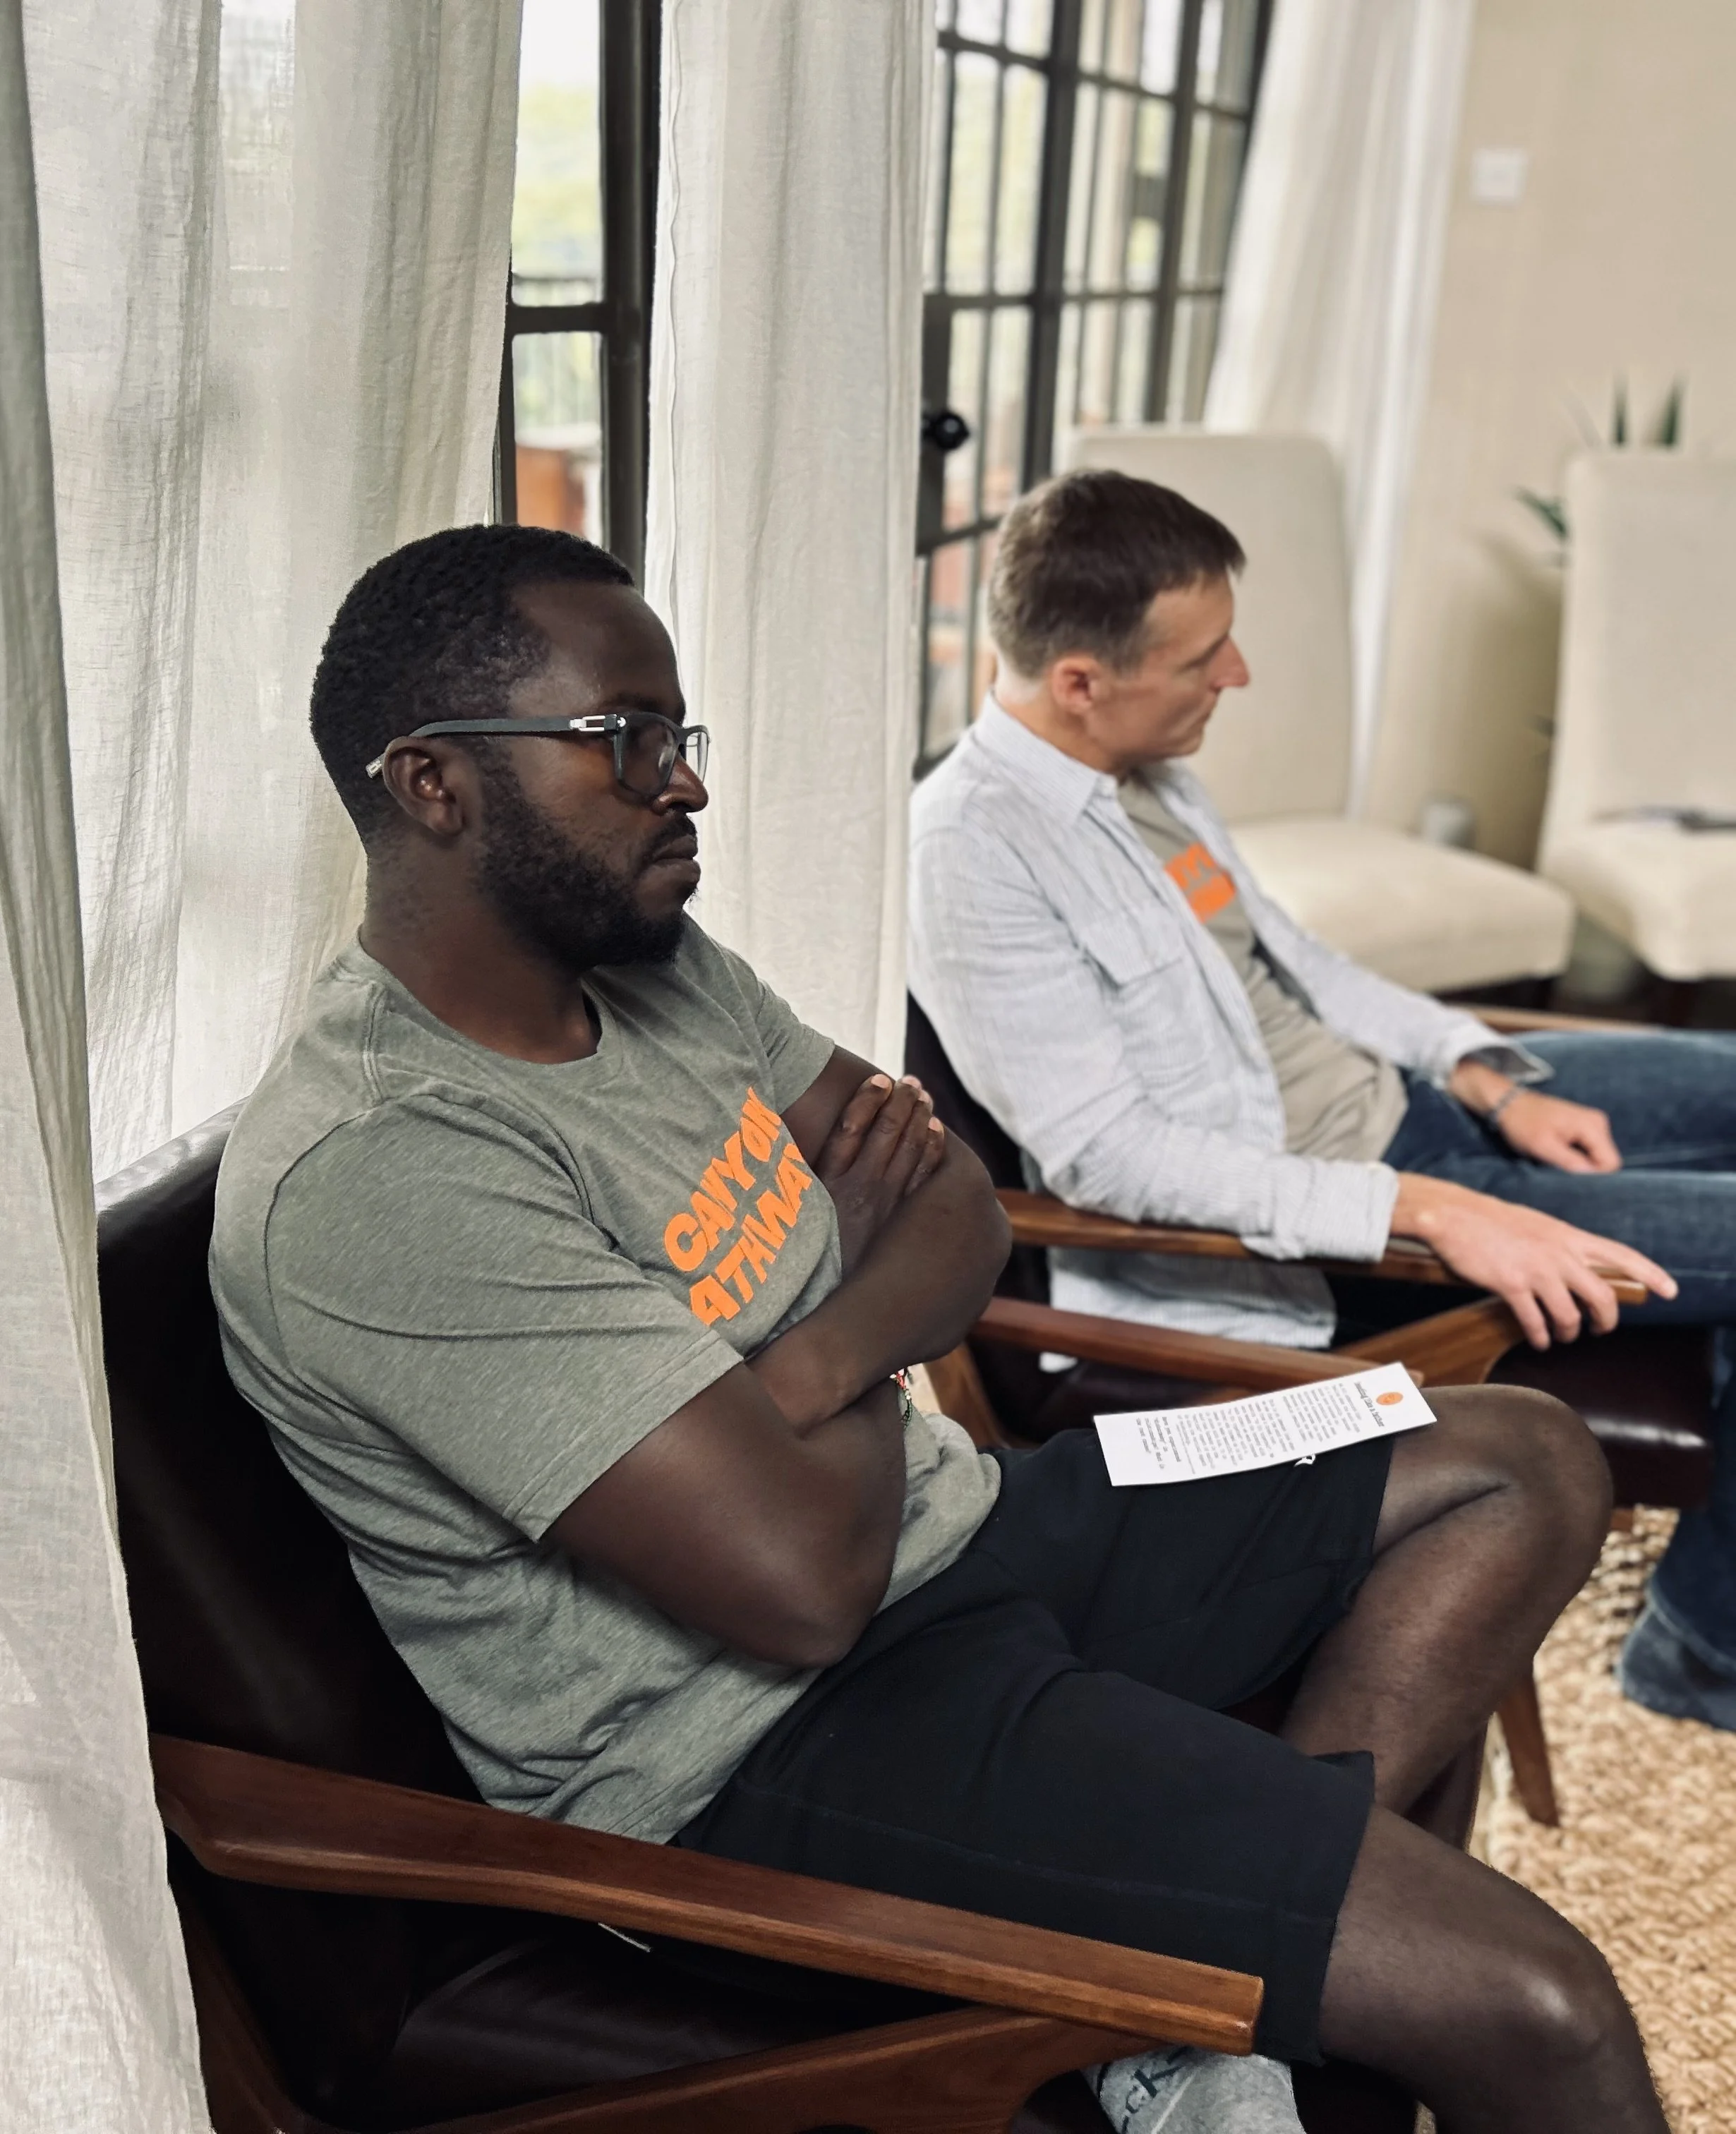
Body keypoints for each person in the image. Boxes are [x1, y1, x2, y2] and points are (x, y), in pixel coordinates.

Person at [212, 523, 1665, 2132]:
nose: (684, 786)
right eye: (625, 740)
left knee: (1514, 1455)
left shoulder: (654, 968)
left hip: (970, 1521)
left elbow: (957, 1200)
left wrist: (804, 1356)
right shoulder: (387, 1167)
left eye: (680, 737)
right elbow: (801, 1591)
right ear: (433, 784)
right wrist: (849, 1269)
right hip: (773, 1742)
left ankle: (1197, 1986)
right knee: (1543, 2009)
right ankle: (1218, 1950)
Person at [908, 468, 1736, 1732]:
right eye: (1204, 657)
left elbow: (1302, 965)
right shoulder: (973, 852)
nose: (1236, 675)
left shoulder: (1146, 775)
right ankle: (1703, 1653)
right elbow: (1109, 1157)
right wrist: (1434, 1209)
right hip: (1335, 1235)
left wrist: (1478, 1070)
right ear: (1079, 681)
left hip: (1412, 1114)